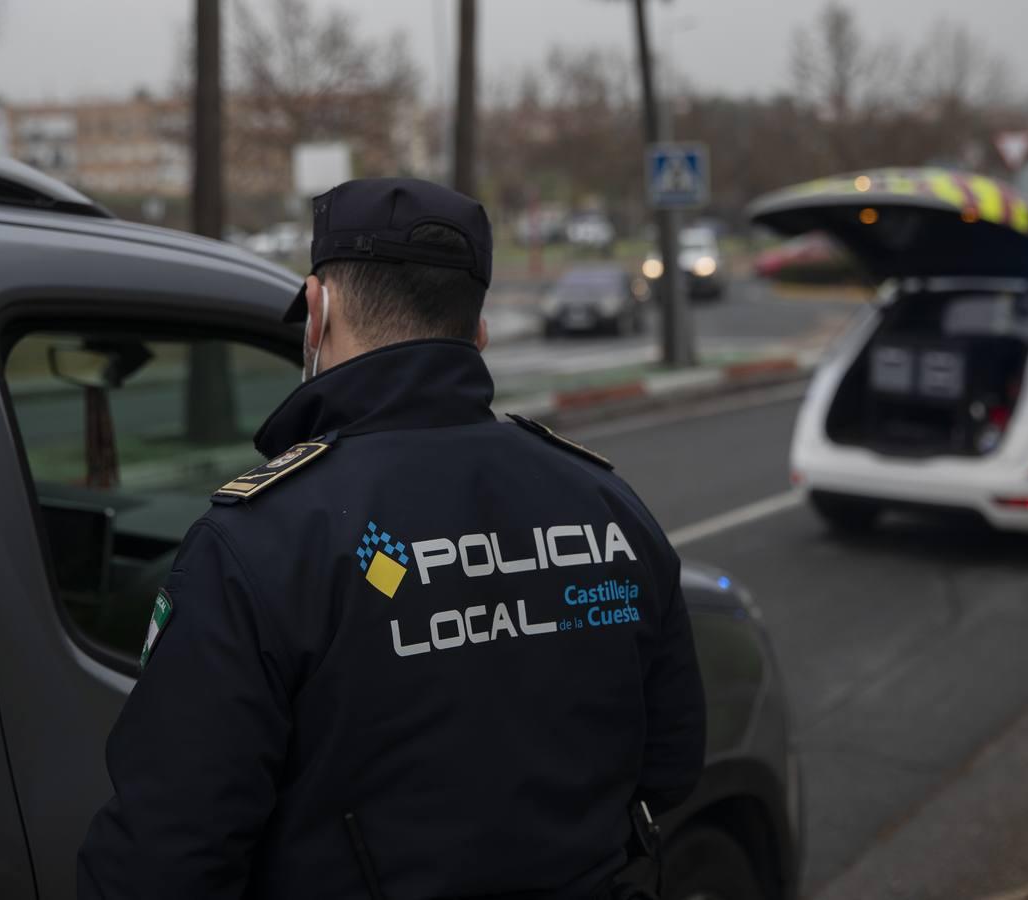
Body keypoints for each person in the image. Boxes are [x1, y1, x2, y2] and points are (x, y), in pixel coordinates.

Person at [77, 177, 706, 900]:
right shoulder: (607, 503)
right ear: (479, 333)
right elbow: (670, 766)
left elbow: (164, 856)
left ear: (316, 313)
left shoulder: (262, 539)